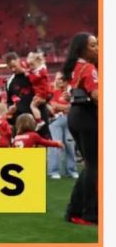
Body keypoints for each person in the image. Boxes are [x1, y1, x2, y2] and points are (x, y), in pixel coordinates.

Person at [62, 32, 98, 226]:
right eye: (93, 45)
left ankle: (74, 211)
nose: (97, 49)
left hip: (76, 115)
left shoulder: (74, 67)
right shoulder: (89, 68)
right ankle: (88, 213)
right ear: (83, 49)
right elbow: (97, 96)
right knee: (94, 166)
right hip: (87, 116)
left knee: (91, 165)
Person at [3, 52, 50, 138]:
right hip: (22, 122)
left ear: (19, 61)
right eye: (10, 67)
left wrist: (45, 100)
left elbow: (48, 92)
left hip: (39, 118)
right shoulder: (10, 82)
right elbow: (9, 101)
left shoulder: (34, 74)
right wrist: (10, 108)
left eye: (14, 66)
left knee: (44, 145)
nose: (13, 69)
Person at [48, 72, 78, 179]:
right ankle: (54, 171)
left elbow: (73, 106)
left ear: (66, 80)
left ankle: (71, 170)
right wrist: (65, 107)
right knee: (55, 145)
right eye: (57, 79)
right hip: (55, 121)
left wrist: (61, 107)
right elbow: (52, 105)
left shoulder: (72, 91)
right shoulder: (53, 91)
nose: (58, 81)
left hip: (70, 119)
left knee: (70, 145)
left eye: (61, 79)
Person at [25, 51, 51, 131]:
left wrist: (29, 75)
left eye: (32, 65)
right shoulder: (40, 68)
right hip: (42, 92)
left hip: (42, 92)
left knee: (33, 105)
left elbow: (33, 79)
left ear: (37, 62)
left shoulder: (41, 70)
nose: (31, 67)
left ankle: (39, 121)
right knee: (40, 104)